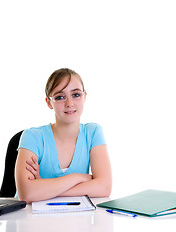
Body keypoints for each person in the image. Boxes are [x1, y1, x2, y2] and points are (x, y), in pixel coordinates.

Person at [15, 68, 112, 203]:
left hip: (73, 219)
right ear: (49, 102)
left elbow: (104, 187)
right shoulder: (32, 137)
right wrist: (78, 178)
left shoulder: (93, 133)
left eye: (76, 95)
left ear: (85, 96)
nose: (69, 103)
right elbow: (27, 194)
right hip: (30, 219)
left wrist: (45, 190)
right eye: (60, 97)